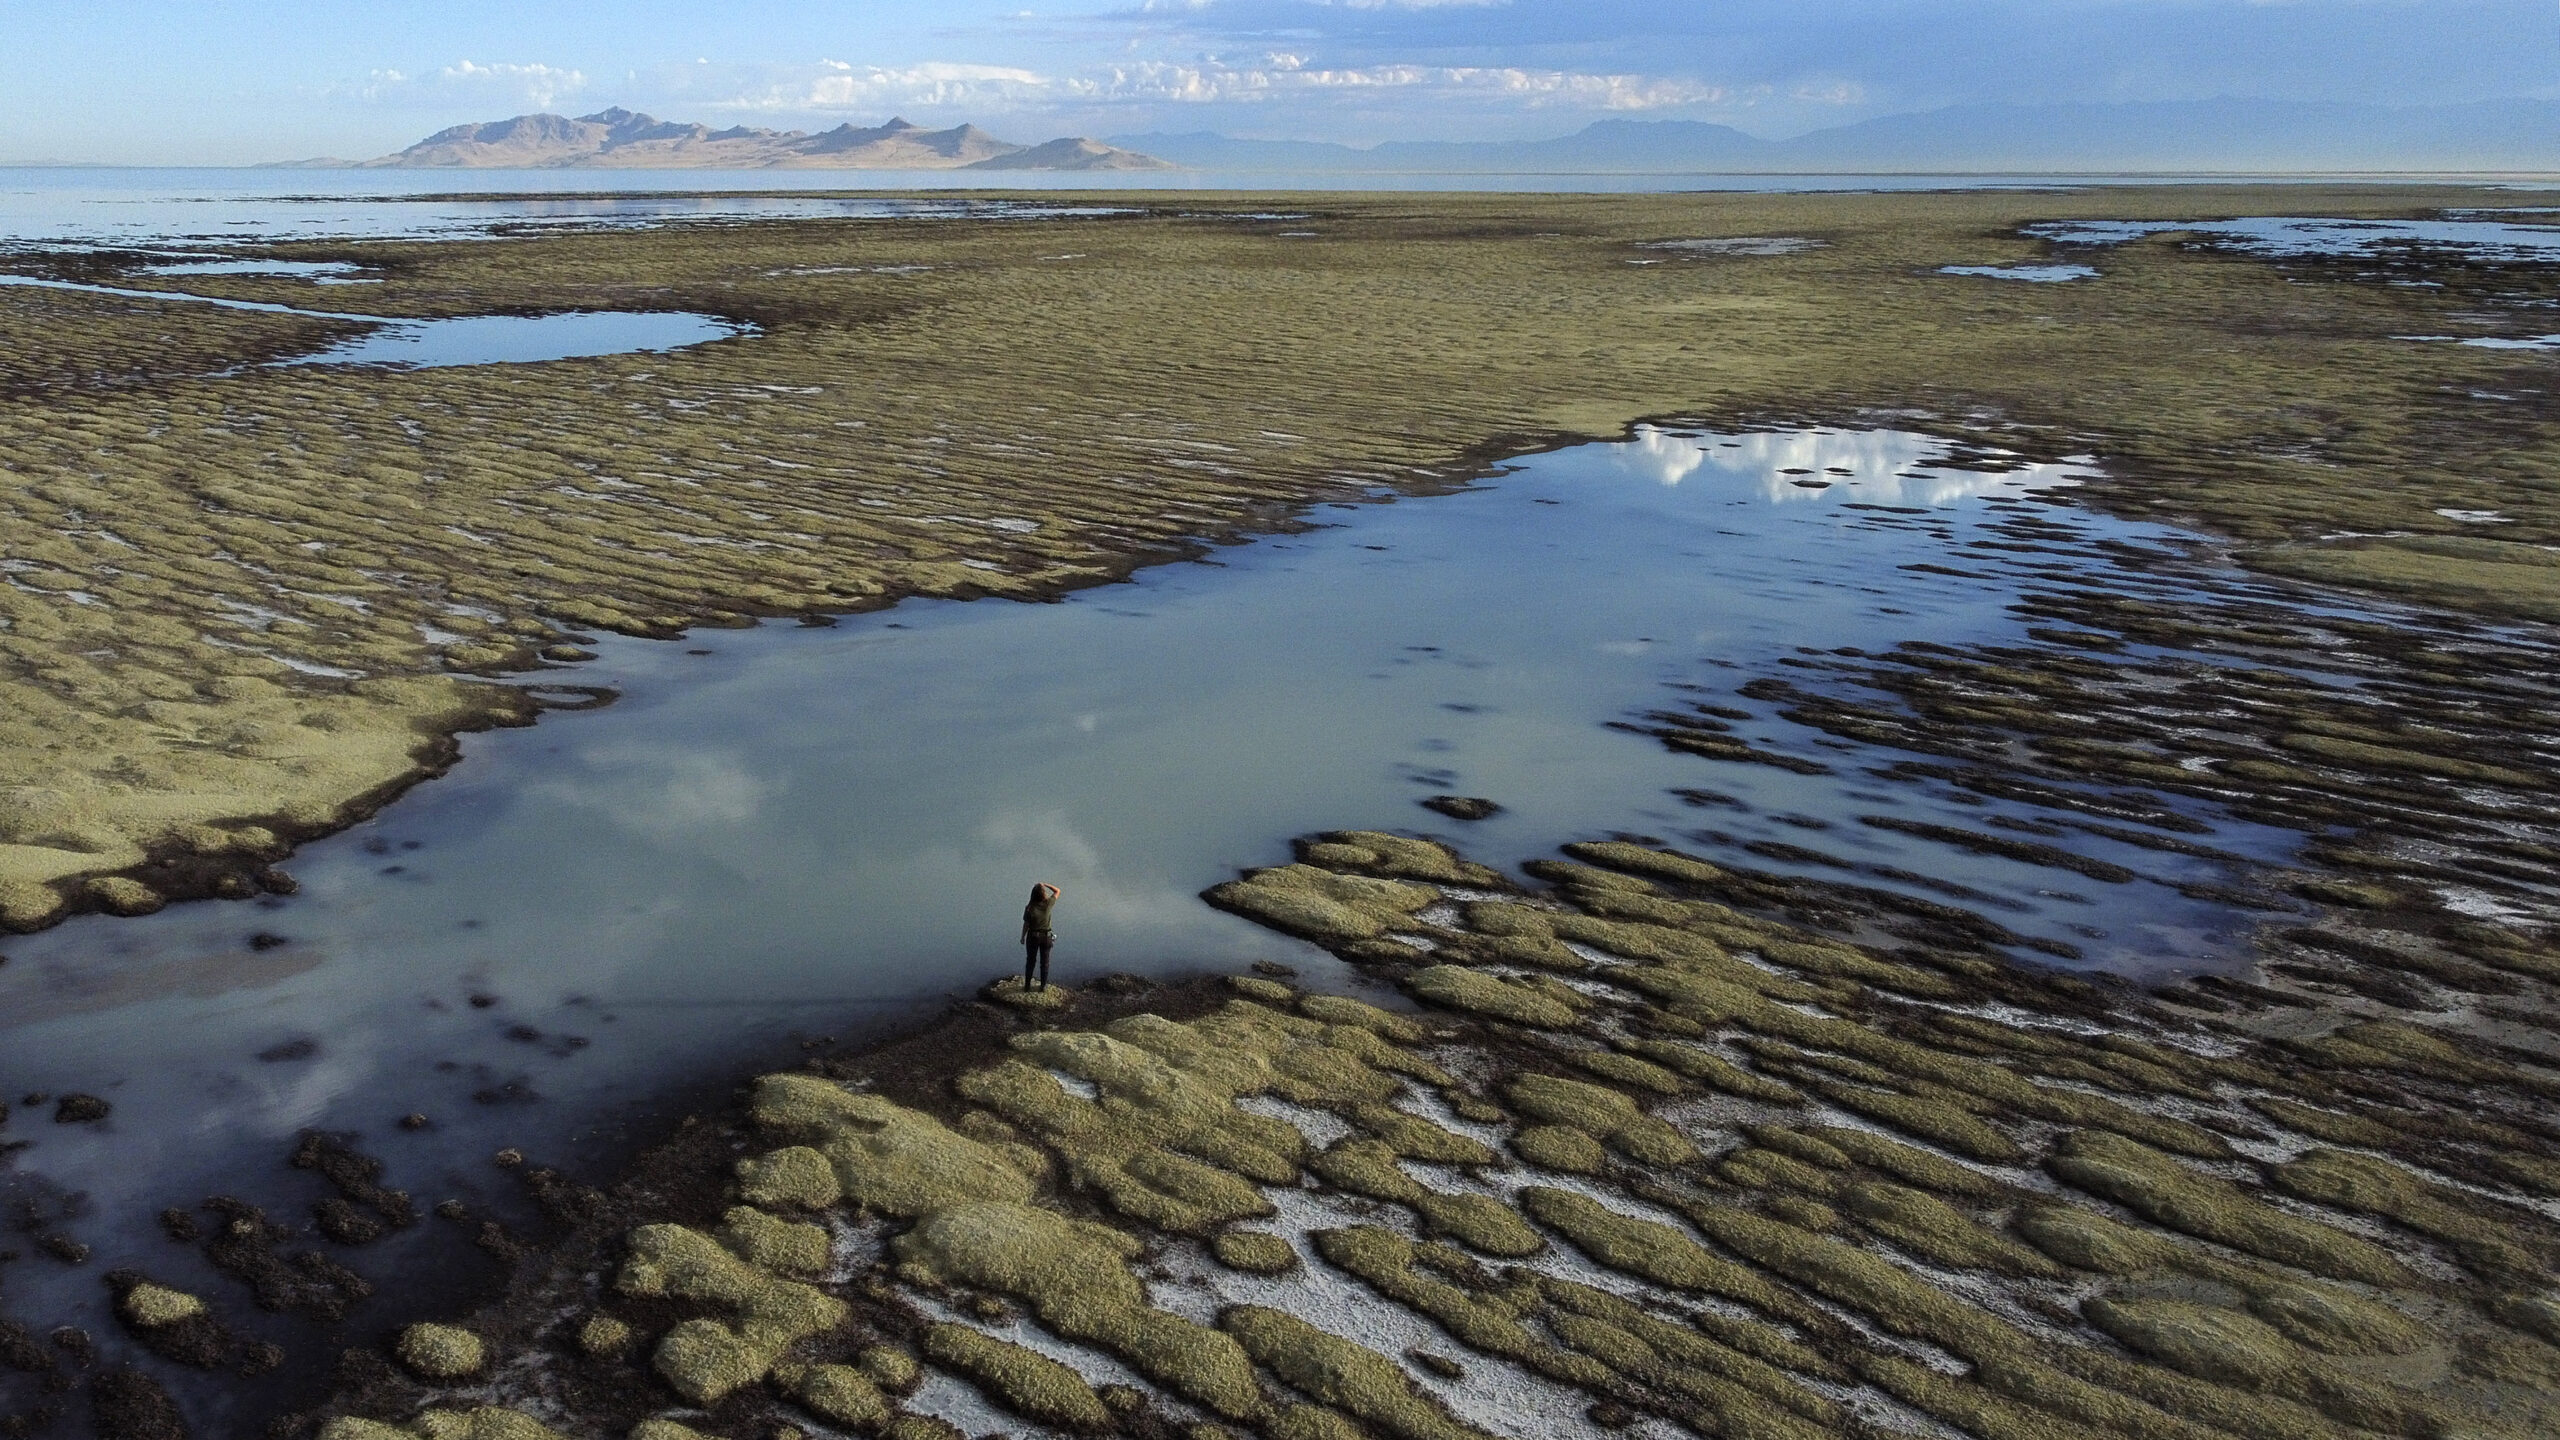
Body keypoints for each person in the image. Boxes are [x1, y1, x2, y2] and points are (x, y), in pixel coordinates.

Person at [1020, 882, 1061, 991]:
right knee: (1045, 962)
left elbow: (1026, 925)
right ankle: (1043, 986)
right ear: (1043, 894)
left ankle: (1027, 986)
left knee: (1030, 961)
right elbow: (1057, 890)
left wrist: (1022, 937)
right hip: (1046, 937)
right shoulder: (1048, 903)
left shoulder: (1029, 908)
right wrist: (1045, 884)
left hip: (1033, 936)